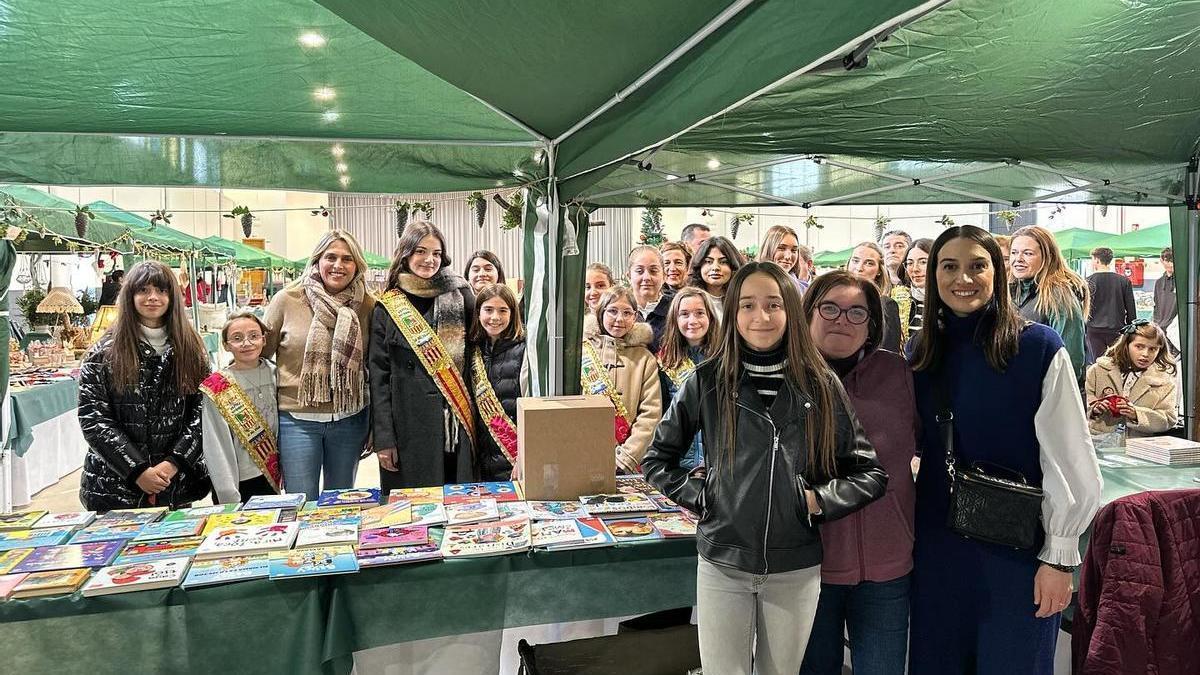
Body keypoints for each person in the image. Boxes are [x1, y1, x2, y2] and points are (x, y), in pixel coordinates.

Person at [643, 262, 887, 675]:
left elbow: (870, 474)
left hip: (795, 567)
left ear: (790, 310)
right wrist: (706, 497)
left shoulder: (821, 384)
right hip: (723, 561)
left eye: (773, 304)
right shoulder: (707, 381)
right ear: (733, 313)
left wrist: (815, 501)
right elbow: (656, 460)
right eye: (748, 305)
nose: (761, 317)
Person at [907, 225, 1102, 674]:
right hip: (938, 546)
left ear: (997, 271)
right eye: (949, 266)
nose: (964, 279)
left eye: (978, 265)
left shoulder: (1036, 347)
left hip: (1019, 551)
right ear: (932, 276)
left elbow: (1070, 456)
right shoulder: (921, 350)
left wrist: (1058, 556)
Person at [799, 270, 918, 675]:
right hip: (806, 565)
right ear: (809, 313)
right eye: (829, 308)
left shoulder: (899, 374)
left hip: (887, 565)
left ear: (872, 325)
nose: (841, 320)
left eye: (856, 313)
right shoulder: (785, 377)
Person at [78, 261, 212, 511]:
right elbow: (94, 419)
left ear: (173, 297)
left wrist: (173, 463)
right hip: (115, 486)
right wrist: (137, 470)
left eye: (161, 291)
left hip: (175, 483)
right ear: (130, 296)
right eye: (143, 290)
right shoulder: (103, 353)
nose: (153, 297)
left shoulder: (192, 351)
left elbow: (204, 414)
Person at [262, 230, 375, 501]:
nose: (338, 265)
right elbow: (261, 353)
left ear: (357, 265)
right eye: (331, 257)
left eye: (347, 259)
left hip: (350, 418)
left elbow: (374, 367)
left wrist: (375, 424)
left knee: (341, 502)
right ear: (317, 260)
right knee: (301, 502)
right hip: (297, 421)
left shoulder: (368, 305)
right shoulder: (287, 300)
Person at [371, 222, 476, 491]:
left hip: (456, 423)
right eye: (421, 251)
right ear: (406, 254)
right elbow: (379, 378)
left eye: (437, 253)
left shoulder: (461, 294)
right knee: (412, 514)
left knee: (459, 506)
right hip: (407, 427)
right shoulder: (388, 305)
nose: (430, 260)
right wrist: (384, 439)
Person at [200, 311, 281, 504]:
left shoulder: (276, 374)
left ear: (264, 339)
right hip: (237, 479)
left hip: (272, 474)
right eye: (237, 338)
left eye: (254, 336)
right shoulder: (218, 386)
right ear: (226, 345)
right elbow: (215, 443)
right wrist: (228, 492)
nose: (246, 343)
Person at [582, 286, 663, 474]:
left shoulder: (644, 359)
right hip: (584, 456)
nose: (619, 319)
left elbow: (650, 414)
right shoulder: (582, 353)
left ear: (635, 317)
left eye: (627, 313)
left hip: (628, 464)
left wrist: (626, 458)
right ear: (601, 312)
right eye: (612, 311)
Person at [1009, 225, 1090, 382]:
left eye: (1028, 253)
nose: (1018, 259)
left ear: (1047, 256)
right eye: (1014, 253)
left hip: (1051, 393)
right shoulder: (1012, 290)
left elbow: (1070, 356)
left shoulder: (1059, 294)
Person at [655, 287, 720, 471]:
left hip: (717, 462)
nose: (693, 321)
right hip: (679, 463)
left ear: (710, 317)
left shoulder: (727, 359)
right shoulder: (664, 362)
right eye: (684, 314)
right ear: (675, 320)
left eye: (700, 313)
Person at [469, 283, 528, 481]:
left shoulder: (525, 350)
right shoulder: (473, 350)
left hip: (515, 460)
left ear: (513, 314)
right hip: (481, 460)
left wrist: (525, 457)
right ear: (478, 313)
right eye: (488, 310)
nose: (495, 317)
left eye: (503, 310)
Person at [1085, 319, 1178, 438]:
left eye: (1153, 349)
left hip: (1139, 447)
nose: (1145, 354)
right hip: (1099, 443)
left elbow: (1169, 418)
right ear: (1126, 345)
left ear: (1160, 350)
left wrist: (1136, 414)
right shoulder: (1098, 371)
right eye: (1139, 346)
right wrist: (1094, 409)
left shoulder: (1164, 381)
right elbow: (1080, 405)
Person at [847, 241, 902, 353]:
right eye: (855, 260)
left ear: (879, 271)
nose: (859, 268)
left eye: (869, 263)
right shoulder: (833, 299)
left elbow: (888, 353)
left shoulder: (886, 305)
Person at [1085, 246, 1137, 361]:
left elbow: (1082, 309)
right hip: (1117, 329)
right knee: (1118, 362)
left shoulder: (1086, 282)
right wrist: (1130, 331)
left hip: (1094, 330)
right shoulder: (1124, 281)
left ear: (1097, 260)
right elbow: (1131, 310)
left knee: (1098, 363)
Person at [627, 245, 673, 353]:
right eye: (639, 271)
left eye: (653, 271)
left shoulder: (676, 308)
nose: (646, 277)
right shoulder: (619, 310)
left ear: (664, 276)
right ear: (629, 277)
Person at [687, 236, 744, 323]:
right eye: (708, 262)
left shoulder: (742, 299)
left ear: (733, 266)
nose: (715, 268)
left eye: (723, 262)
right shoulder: (688, 300)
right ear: (699, 266)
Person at [893, 238, 932, 346]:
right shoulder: (896, 299)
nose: (915, 269)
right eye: (910, 263)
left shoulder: (949, 300)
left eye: (923, 262)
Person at [757, 225, 805, 290]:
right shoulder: (751, 285)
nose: (788, 256)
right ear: (768, 249)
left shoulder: (803, 290)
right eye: (781, 248)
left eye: (794, 250)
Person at [1152, 247, 1178, 355]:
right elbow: (1156, 304)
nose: (1170, 263)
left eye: (1172, 260)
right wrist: (1156, 323)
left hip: (1176, 329)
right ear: (1162, 261)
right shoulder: (1158, 283)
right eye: (1167, 260)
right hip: (1160, 327)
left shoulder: (1183, 281)